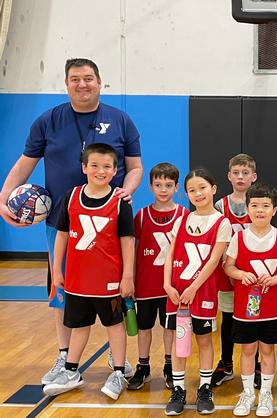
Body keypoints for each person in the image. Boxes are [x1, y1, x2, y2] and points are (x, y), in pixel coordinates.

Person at [0, 58, 142, 384]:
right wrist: (3, 198)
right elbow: (25, 163)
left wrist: (127, 189)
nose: (82, 84)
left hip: (109, 224)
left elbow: (135, 167)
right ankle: (65, 359)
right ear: (66, 84)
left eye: (88, 78)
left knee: (115, 291)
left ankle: (117, 357)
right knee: (61, 290)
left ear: (100, 82)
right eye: (75, 79)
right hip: (62, 224)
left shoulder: (120, 120)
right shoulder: (47, 121)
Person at [41, 143, 135, 400]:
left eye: (107, 166)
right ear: (84, 168)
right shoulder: (71, 196)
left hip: (109, 280)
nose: (100, 171)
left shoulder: (120, 202)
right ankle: (71, 371)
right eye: (94, 165)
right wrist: (56, 269)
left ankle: (118, 372)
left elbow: (128, 241)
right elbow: (61, 235)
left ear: (115, 170)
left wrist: (128, 276)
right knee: (79, 325)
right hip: (77, 278)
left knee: (114, 325)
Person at [163, 168, 232, 416]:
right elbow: (170, 255)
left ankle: (205, 388)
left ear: (213, 189)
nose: (198, 193)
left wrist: (193, 287)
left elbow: (214, 260)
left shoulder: (222, 222)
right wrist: (167, 284)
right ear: (186, 194)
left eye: (202, 188)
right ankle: (178, 389)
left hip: (202, 292)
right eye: (192, 190)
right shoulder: (182, 220)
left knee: (204, 341)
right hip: (176, 292)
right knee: (179, 341)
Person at [224, 182, 277, 417]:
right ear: (247, 208)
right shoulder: (238, 237)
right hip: (245, 308)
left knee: (267, 349)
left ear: (274, 210)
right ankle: (247, 393)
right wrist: (241, 274)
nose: (260, 210)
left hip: (272, 307)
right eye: (254, 205)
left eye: (265, 205)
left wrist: (275, 279)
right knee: (248, 349)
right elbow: (228, 267)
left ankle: (266, 393)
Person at [127, 163, 188, 391]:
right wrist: (131, 279)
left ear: (177, 187)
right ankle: (143, 366)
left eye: (168, 185)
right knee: (144, 327)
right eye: (158, 184)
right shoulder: (142, 216)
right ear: (150, 186)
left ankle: (170, 366)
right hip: (145, 285)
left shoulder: (184, 215)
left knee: (169, 328)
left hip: (171, 287)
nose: (163, 189)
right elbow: (133, 251)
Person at [213, 154, 258, 389]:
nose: (240, 177)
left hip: (253, 275)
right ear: (229, 176)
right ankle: (226, 363)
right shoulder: (220, 205)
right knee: (228, 319)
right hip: (227, 273)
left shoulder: (259, 203)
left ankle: (256, 365)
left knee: (254, 319)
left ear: (253, 177)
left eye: (245, 173)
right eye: (236, 173)